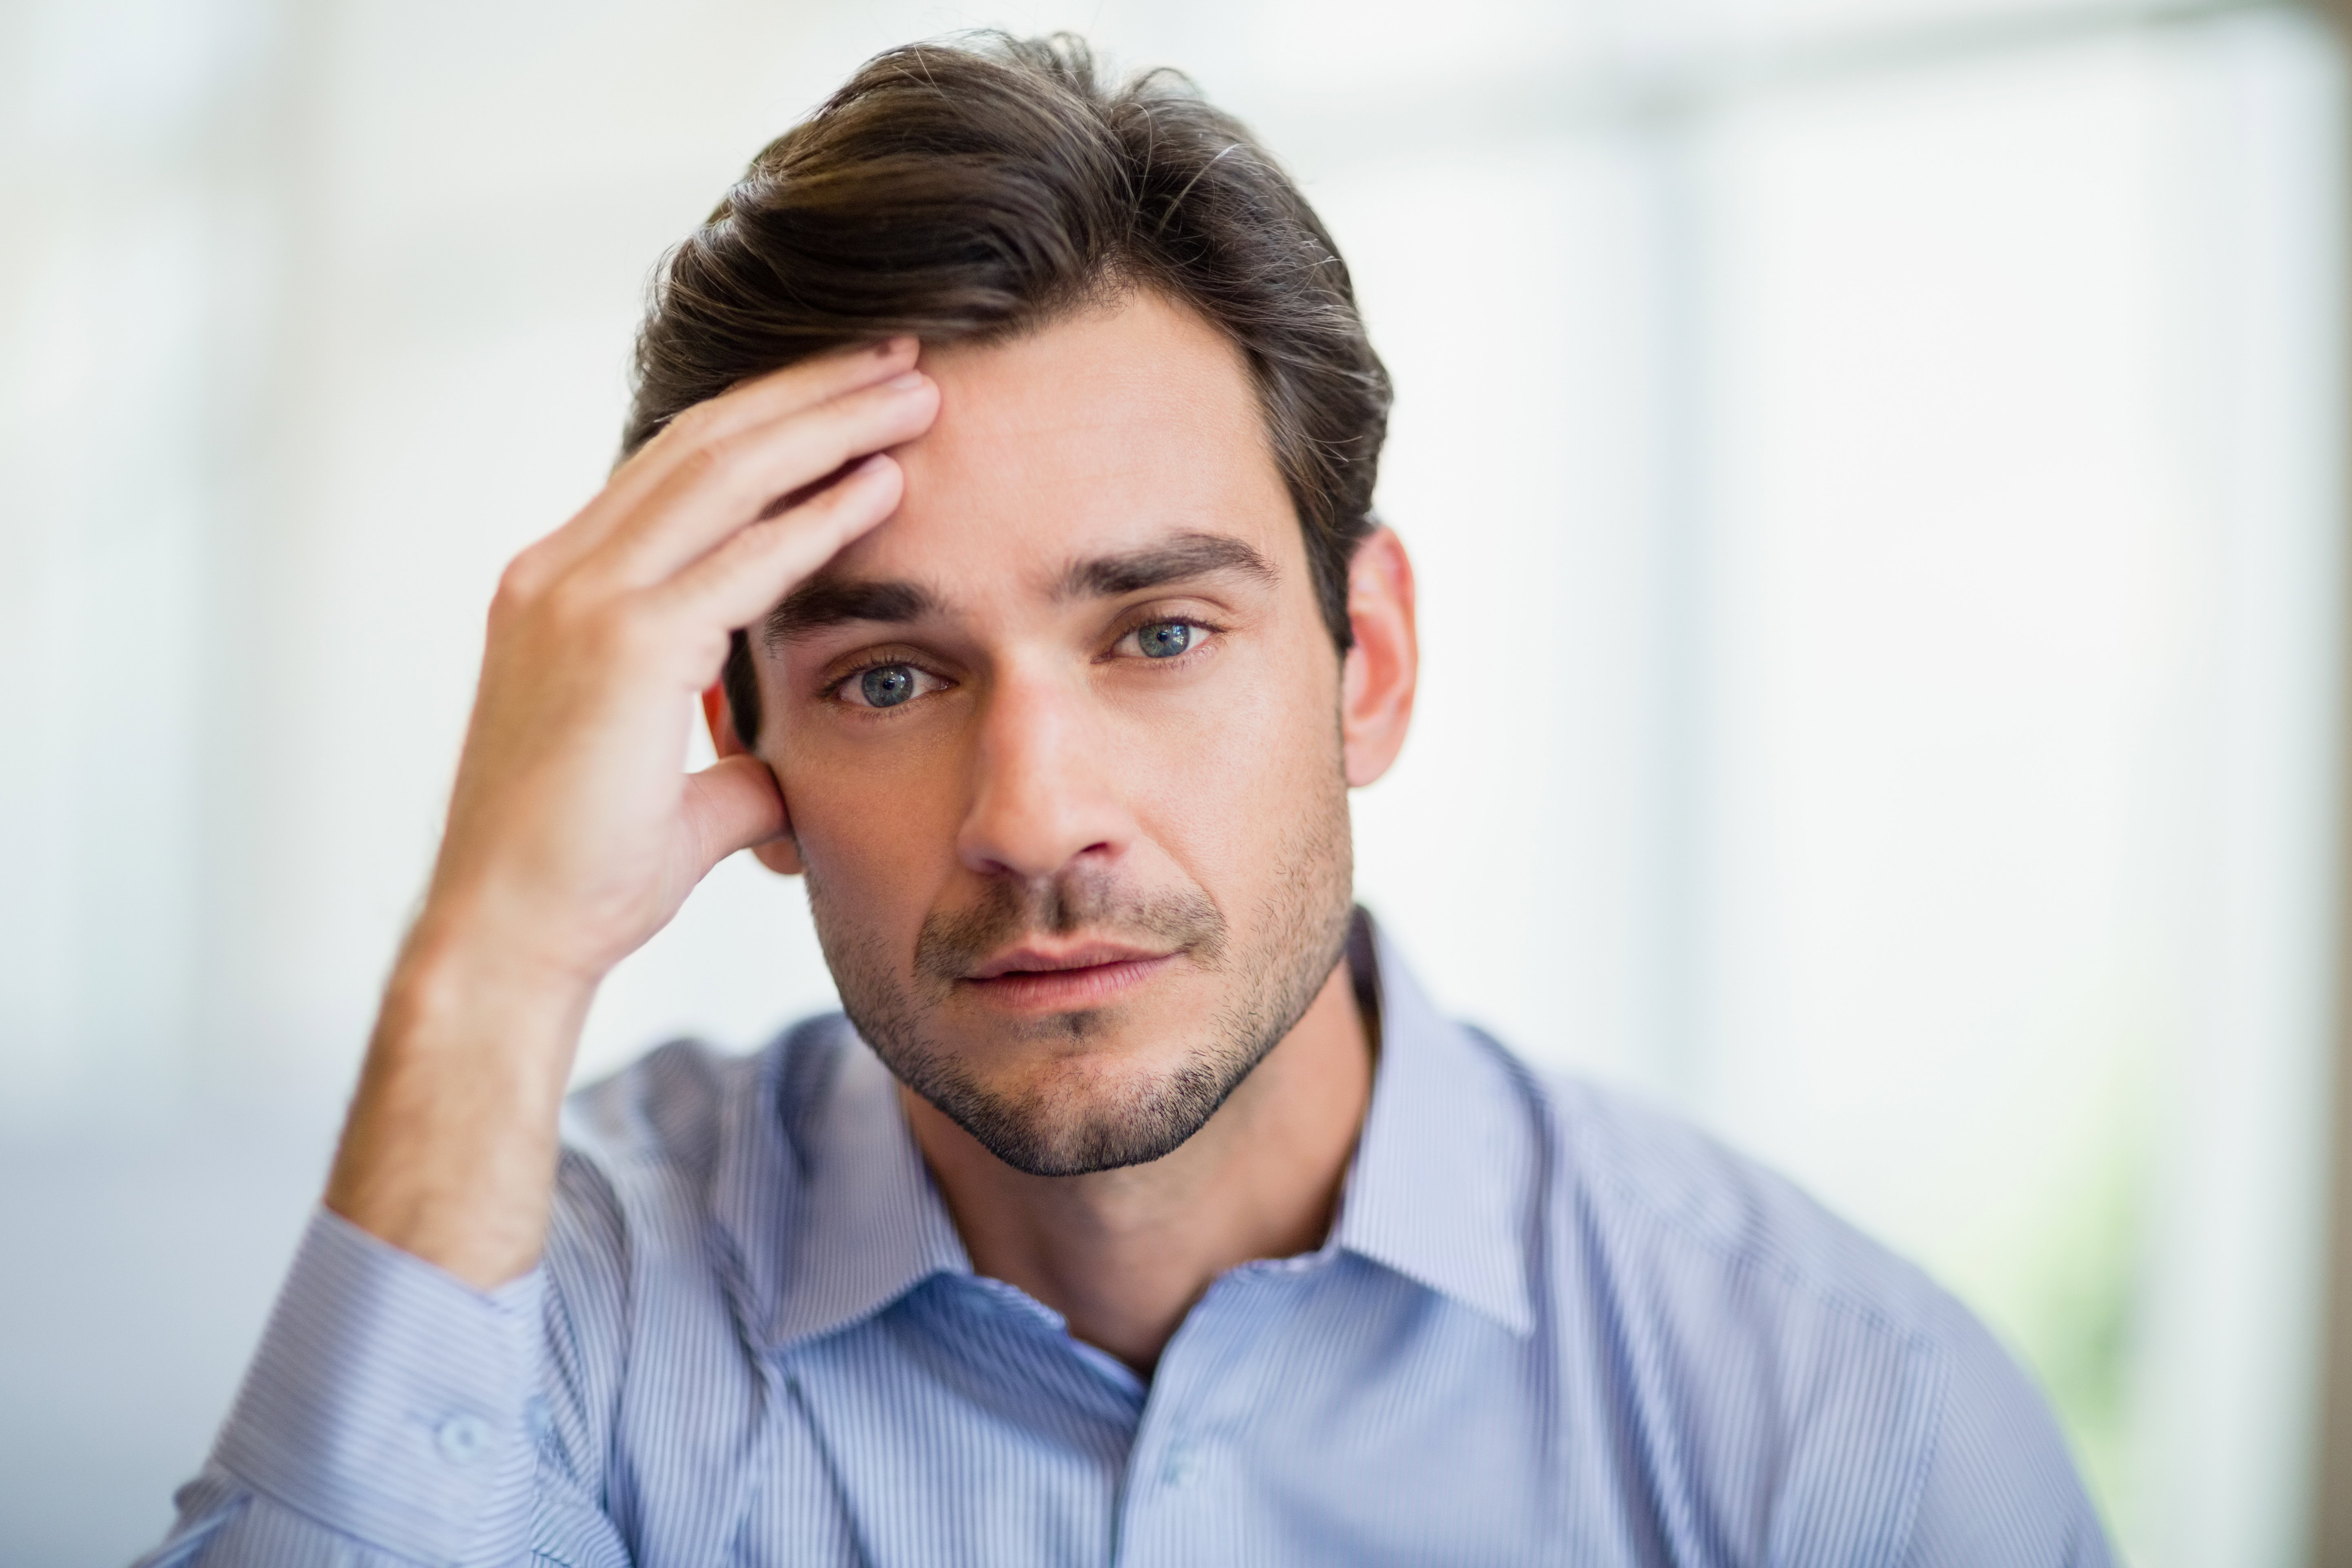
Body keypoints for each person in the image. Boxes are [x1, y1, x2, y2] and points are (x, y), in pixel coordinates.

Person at [139, 33, 2111, 1568]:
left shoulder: (1837, 1416)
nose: (1034, 813)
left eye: (1159, 634)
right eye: (888, 676)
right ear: (744, 745)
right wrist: (489, 967)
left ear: (1375, 662)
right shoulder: (546, 1321)